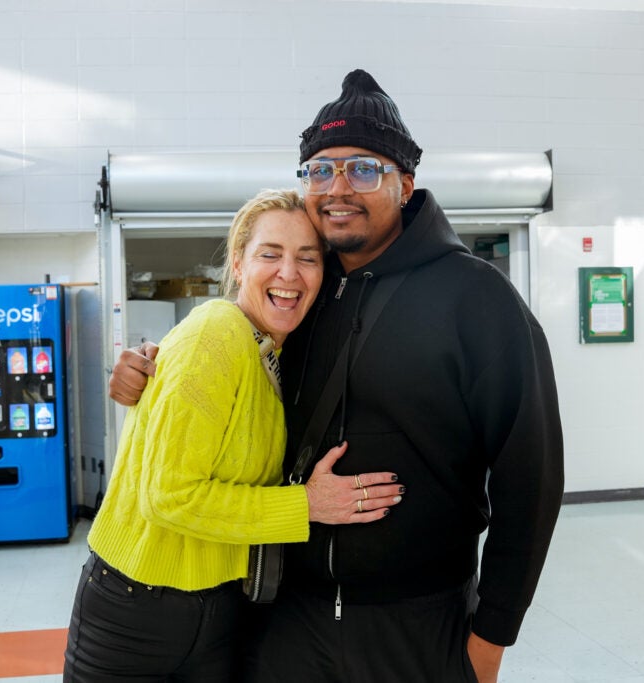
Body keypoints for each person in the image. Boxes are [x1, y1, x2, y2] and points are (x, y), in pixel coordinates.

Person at [110, 69, 564, 683]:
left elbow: (530, 480)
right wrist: (149, 366)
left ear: (405, 183)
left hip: (419, 626)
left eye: (363, 168)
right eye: (320, 170)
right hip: (285, 618)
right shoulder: (305, 292)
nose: (337, 187)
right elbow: (228, 362)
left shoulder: (477, 299)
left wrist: (493, 637)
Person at [64, 188, 405, 682]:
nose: (289, 273)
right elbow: (169, 496)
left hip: (218, 604)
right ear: (239, 263)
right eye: (271, 254)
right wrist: (305, 506)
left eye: (307, 259)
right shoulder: (218, 332)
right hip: (135, 609)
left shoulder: (275, 352)